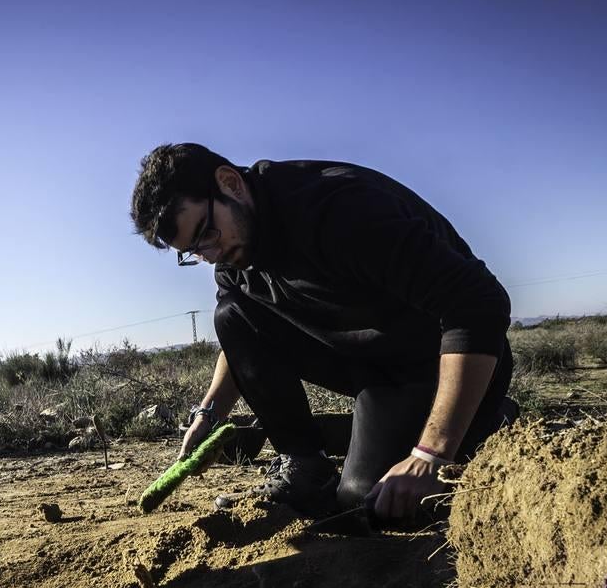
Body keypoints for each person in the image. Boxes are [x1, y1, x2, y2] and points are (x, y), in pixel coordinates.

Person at [129, 144, 517, 523]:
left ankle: (486, 417)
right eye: (193, 250)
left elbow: (479, 304)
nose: (209, 254)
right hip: (370, 365)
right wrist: (209, 415)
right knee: (232, 313)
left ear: (230, 183)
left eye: (206, 233)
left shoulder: (338, 211)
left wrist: (432, 455)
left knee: (372, 504)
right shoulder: (235, 251)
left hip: (436, 361)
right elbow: (240, 335)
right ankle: (304, 464)